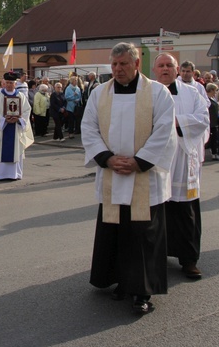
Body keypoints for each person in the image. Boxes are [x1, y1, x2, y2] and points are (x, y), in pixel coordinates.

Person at [81, 42, 177, 314]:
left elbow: (165, 130)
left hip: (143, 175)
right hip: (112, 172)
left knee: (142, 234)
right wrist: (106, 158)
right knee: (117, 231)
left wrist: (139, 161)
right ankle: (121, 282)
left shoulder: (158, 93)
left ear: (137, 64)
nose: (118, 69)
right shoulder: (100, 93)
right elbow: (88, 127)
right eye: (114, 64)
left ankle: (142, 291)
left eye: (123, 64)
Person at [153, 54, 209, 280]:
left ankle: (189, 259)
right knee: (158, 211)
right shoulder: (147, 93)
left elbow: (203, 119)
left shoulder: (192, 92)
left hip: (183, 159)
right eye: (161, 65)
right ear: (155, 70)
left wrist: (174, 122)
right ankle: (158, 254)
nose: (165, 69)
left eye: (169, 65)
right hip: (156, 159)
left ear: (177, 69)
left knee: (186, 212)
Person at [0, 71, 34, 180]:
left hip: (16, 128)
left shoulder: (20, 96)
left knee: (16, 150)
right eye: (7, 82)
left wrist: (18, 119)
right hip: (2, 129)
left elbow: (27, 110)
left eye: (11, 83)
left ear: (15, 84)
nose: (9, 85)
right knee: (0, 149)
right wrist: (4, 119)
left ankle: (14, 174)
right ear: (4, 83)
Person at [206, 84, 219, 160]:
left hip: (216, 122)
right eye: (215, 90)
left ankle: (217, 153)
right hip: (211, 123)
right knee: (214, 139)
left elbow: (217, 110)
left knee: (218, 139)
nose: (216, 92)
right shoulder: (207, 99)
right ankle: (214, 154)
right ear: (211, 90)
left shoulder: (213, 99)